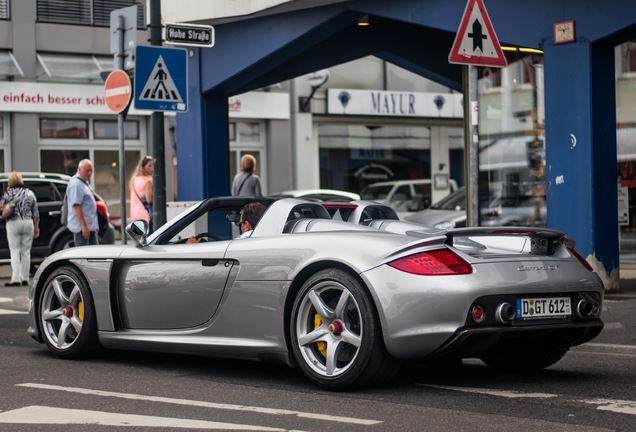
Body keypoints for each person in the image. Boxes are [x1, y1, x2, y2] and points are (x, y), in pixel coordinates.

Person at [1, 171, 40, 286]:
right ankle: (25, 278)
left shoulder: (8, 194)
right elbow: (36, 213)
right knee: (26, 252)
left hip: (13, 223)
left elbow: (2, 208)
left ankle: (16, 279)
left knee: (14, 251)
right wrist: (36, 228)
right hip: (28, 223)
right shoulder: (30, 193)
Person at [185, 202, 267, 243]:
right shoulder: (273, 238)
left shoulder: (241, 243)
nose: (240, 226)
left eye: (240, 223)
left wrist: (193, 249)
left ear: (247, 225)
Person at [66, 159, 99, 246]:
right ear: (79, 169)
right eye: (87, 170)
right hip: (82, 229)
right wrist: (84, 226)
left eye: (91, 170)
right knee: (84, 255)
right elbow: (76, 206)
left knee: (95, 254)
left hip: (89, 227)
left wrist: (95, 225)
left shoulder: (84, 183)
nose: (89, 173)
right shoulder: (76, 184)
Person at [129, 155, 154, 233]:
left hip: (135, 215)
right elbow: (149, 200)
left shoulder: (134, 180)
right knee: (150, 240)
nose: (152, 168)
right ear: (143, 167)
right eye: (149, 165)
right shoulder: (147, 181)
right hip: (145, 216)